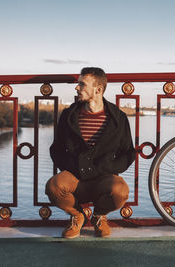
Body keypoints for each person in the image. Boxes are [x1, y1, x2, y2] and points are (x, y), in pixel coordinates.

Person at [45, 67, 135, 238]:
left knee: (120, 191)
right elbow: (56, 149)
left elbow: (128, 153)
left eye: (82, 84)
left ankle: (99, 216)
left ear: (98, 89)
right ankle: (77, 216)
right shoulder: (69, 115)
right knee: (53, 187)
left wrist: (108, 167)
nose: (77, 88)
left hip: (103, 176)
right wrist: (71, 167)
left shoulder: (118, 118)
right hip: (75, 177)